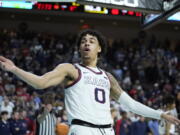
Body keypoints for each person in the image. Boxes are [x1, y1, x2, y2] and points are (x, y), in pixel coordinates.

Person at [0, 29, 180, 135]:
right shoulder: (70, 69)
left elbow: (130, 104)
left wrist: (160, 115)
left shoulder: (108, 77)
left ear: (99, 48)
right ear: (79, 48)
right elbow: (40, 82)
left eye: (91, 41)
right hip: (82, 129)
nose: (87, 43)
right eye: (83, 41)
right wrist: (15, 69)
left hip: (107, 131)